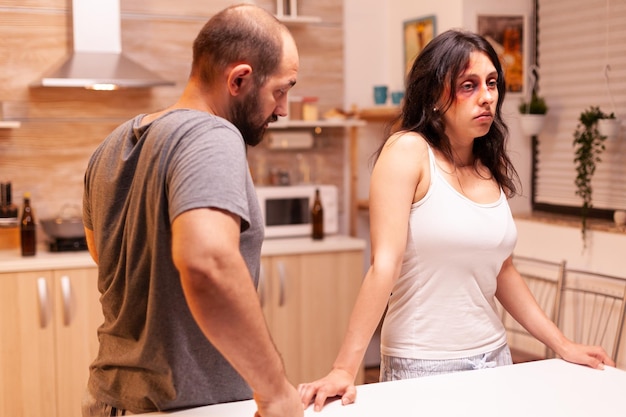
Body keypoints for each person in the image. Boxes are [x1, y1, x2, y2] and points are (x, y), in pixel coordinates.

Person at [298, 29, 614, 412]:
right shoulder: (408, 152)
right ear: (434, 96)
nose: (487, 96)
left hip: (494, 359)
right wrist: (343, 368)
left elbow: (503, 271)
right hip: (422, 366)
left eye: (492, 83)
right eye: (469, 85)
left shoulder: (488, 164)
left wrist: (563, 345)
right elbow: (384, 265)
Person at [81, 4, 303, 417]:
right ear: (240, 79)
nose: (283, 108)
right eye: (281, 90)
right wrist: (275, 391)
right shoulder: (213, 134)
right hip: (186, 407)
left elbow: (104, 256)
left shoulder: (108, 147)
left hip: (110, 401)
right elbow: (208, 261)